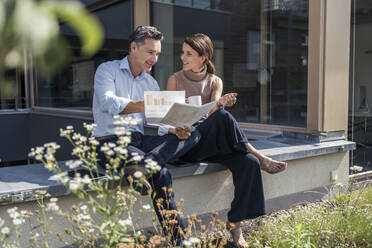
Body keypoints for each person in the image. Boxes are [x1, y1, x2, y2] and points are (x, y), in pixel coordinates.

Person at [166, 33, 287, 247]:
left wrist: (219, 103)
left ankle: (235, 225)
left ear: (203, 57)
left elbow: (212, 117)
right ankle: (259, 155)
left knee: (248, 164)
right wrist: (184, 111)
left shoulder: (215, 81)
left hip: (211, 141)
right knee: (223, 117)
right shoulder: (174, 80)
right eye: (182, 53)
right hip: (186, 144)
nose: (182, 58)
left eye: (188, 54)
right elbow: (167, 119)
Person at [92, 26, 201, 245]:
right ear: (134, 47)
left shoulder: (150, 83)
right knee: (160, 174)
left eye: (158, 54)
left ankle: (144, 166)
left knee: (193, 135)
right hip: (110, 141)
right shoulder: (107, 70)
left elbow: (158, 121)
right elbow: (109, 103)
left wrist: (174, 128)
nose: (155, 59)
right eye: (151, 52)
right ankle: (178, 241)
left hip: (138, 141)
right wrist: (150, 104)